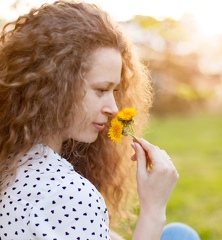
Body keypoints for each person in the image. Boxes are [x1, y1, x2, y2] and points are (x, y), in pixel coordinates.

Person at [0, 1, 200, 239]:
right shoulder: (69, 193)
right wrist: (153, 210)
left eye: (114, 91)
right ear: (55, 86)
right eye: (101, 89)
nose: (114, 108)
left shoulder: (12, 158)